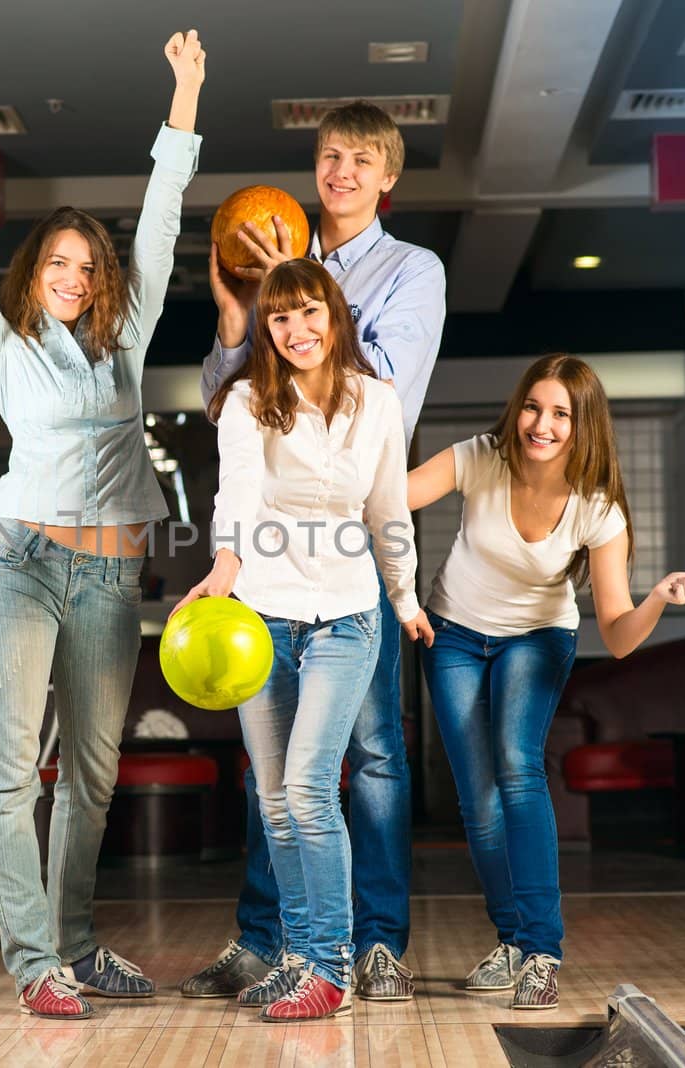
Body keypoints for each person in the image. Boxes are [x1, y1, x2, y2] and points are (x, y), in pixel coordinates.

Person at [0, 31, 205, 1019]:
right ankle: (34, 962)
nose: (72, 275)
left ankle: (73, 942)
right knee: (8, 770)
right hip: (18, 564)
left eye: (87, 263)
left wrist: (186, 91)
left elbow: (160, 222)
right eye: (57, 262)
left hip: (111, 577)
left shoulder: (127, 343)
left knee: (93, 778)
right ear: (34, 272)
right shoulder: (0, 343)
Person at [185, 100, 446, 1003]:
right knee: (282, 790)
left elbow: (384, 410)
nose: (340, 170)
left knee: (363, 760)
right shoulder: (276, 262)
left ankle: (363, 948)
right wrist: (239, 313)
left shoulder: (412, 272)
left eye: (362, 158)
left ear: (387, 176)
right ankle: (281, 947)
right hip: (266, 585)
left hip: (352, 578)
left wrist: (404, 594)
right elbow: (229, 416)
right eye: (329, 155)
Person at [406, 354, 685, 1010]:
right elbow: (392, 497)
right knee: (477, 801)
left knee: (517, 768)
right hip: (453, 633)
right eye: (533, 407)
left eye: (560, 414)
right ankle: (513, 939)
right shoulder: (479, 457)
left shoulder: (598, 508)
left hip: (538, 638)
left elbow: (621, 635)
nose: (541, 424)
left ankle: (542, 951)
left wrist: (657, 595)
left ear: (583, 426)